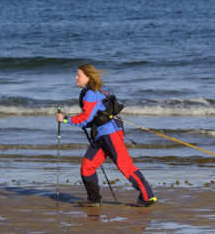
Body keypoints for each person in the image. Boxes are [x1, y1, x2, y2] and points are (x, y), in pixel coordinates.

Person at [56, 64, 157, 207]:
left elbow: (85, 118)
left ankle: (148, 196)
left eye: (79, 75)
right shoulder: (95, 90)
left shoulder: (91, 93)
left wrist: (65, 119)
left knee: (125, 166)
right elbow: (92, 118)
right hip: (101, 135)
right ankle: (94, 199)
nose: (75, 77)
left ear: (88, 77)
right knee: (87, 166)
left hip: (111, 134)